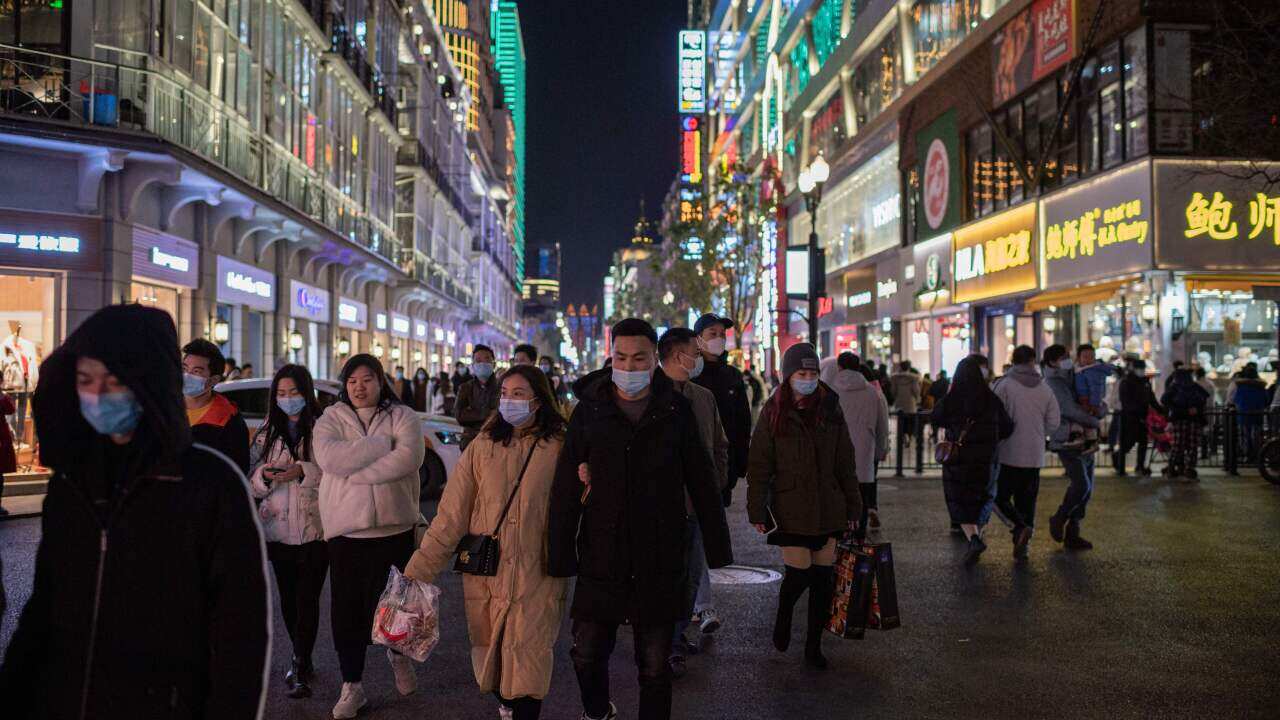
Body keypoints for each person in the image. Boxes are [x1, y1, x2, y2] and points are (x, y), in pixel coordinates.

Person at [0, 304, 269, 718]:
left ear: (149, 382)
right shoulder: (72, 484)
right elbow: (44, 610)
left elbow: (239, 636)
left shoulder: (211, 486)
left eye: (115, 380)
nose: (99, 394)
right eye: (87, 380)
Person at [549, 318, 732, 720]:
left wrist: (718, 548)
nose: (629, 368)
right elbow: (565, 485)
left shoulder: (675, 409)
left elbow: (701, 478)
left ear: (654, 360)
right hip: (602, 552)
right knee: (585, 653)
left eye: (639, 358)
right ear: (610, 356)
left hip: (659, 554)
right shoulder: (590, 410)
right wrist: (559, 552)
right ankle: (598, 712)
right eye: (621, 358)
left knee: (655, 666)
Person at [406, 365, 569, 720]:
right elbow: (451, 514)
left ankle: (521, 710)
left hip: (537, 573)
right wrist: (420, 569)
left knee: (528, 662)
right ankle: (507, 705)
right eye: (505, 393)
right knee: (492, 662)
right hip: (486, 572)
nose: (510, 401)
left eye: (520, 393)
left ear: (539, 400)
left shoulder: (560, 446)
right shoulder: (482, 445)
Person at [314, 354, 426, 719]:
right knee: (347, 612)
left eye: (367, 379)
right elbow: (331, 461)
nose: (360, 387)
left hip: (395, 528)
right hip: (347, 532)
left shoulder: (404, 416)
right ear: (345, 386)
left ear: (380, 381)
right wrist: (380, 445)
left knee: (397, 606)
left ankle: (398, 655)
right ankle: (353, 686)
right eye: (352, 381)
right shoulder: (330, 418)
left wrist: (357, 471)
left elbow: (408, 459)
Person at [748, 343, 860, 668]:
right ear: (788, 376)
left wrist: (854, 507)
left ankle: (813, 645)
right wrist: (757, 510)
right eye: (802, 373)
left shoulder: (830, 408)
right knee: (799, 575)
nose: (808, 379)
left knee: (823, 580)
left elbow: (845, 462)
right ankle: (784, 615)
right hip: (791, 507)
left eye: (812, 373)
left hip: (828, 506)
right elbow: (759, 465)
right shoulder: (774, 411)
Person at [655, 328, 729, 677]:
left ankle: (679, 632)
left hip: (698, 503)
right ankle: (665, 645)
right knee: (665, 577)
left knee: (691, 575)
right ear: (673, 355)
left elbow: (719, 444)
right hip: (662, 506)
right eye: (693, 352)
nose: (699, 358)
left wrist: (717, 484)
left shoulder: (703, 397)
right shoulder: (651, 396)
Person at [249, 364, 326, 699]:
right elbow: (251, 478)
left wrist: (302, 470)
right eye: (281, 393)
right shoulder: (266, 433)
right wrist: (265, 476)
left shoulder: (323, 429)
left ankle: (299, 660)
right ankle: (300, 655)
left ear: (306, 393)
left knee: (308, 597)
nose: (288, 399)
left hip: (316, 529)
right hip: (278, 529)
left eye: (294, 392)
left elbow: (337, 474)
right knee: (289, 598)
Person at [930, 354, 1013, 565]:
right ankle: (979, 534)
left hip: (958, 459)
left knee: (960, 499)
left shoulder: (952, 398)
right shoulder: (991, 399)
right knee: (982, 497)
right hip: (986, 459)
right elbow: (1007, 427)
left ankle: (974, 538)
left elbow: (936, 417)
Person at [992, 345, 1060, 560]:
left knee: (998, 497)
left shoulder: (1003, 385)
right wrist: (1039, 434)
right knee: (1027, 501)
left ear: (1013, 361)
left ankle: (1018, 527)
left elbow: (993, 417)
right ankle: (1023, 545)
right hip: (1034, 455)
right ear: (1033, 361)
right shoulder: (1045, 388)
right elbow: (1054, 423)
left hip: (1008, 453)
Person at [1043, 344, 1103, 550]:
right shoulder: (1053, 382)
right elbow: (1069, 409)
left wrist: (1099, 409)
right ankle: (1059, 518)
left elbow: (1090, 399)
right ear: (1052, 362)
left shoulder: (1073, 375)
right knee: (1081, 485)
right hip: (1066, 439)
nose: (1067, 360)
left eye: (1068, 356)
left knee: (1088, 489)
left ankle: (1073, 532)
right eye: (1063, 357)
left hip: (1085, 438)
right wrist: (1095, 421)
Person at [691, 313, 752, 508]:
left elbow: (742, 421)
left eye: (722, 334)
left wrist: (741, 462)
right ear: (698, 338)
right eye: (713, 333)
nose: (719, 339)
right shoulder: (689, 372)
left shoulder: (732, 375)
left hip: (724, 464)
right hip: (693, 461)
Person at [828, 352, 888, 534]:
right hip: (864, 452)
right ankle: (859, 537)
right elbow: (882, 425)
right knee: (860, 496)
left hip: (836, 452)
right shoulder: (872, 392)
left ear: (839, 367)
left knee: (839, 496)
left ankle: (841, 538)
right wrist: (880, 450)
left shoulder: (830, 391)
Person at [182, 338, 251, 473]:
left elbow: (238, 471)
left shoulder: (229, 419)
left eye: (196, 371)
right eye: (184, 368)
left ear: (214, 379)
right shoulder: (165, 411)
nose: (186, 375)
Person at [1162, 366, 1211, 480]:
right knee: (1192, 446)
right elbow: (1204, 398)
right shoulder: (1194, 386)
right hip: (1194, 420)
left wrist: (1176, 410)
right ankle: (1189, 468)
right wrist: (1195, 410)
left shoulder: (1175, 387)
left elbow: (1164, 400)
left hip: (1179, 419)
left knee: (1178, 445)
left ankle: (1172, 467)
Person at [1115, 359, 1160, 476]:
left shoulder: (1145, 382)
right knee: (1128, 443)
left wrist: (1161, 410)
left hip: (1142, 418)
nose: (1141, 371)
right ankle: (1118, 460)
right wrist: (1136, 411)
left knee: (1143, 442)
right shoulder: (1126, 382)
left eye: (1143, 369)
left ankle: (1140, 466)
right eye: (1139, 369)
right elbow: (1126, 401)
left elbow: (1151, 399)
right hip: (1130, 418)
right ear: (1133, 369)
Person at [455, 345, 500, 449]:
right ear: (473, 365)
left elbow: (502, 415)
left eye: (487, 359)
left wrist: (472, 413)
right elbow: (459, 415)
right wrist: (487, 413)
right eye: (478, 360)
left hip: (496, 441)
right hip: (470, 442)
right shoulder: (465, 388)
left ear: (494, 364)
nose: (483, 364)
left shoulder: (503, 387)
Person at [1071, 344, 1112, 451]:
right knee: (1082, 420)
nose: (1089, 360)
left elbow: (1097, 390)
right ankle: (1084, 439)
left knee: (1088, 421)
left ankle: (1091, 442)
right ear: (1078, 358)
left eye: (1091, 357)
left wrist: (1093, 404)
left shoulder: (1093, 371)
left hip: (1089, 402)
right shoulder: (1078, 369)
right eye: (1085, 357)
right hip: (1082, 400)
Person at [1228, 362, 1269, 462]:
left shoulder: (1240, 386)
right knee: (1256, 435)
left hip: (1243, 414)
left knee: (1245, 435)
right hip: (1258, 414)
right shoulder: (1261, 386)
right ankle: (1257, 455)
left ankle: (1247, 454)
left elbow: (1235, 400)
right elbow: (1266, 400)